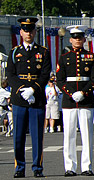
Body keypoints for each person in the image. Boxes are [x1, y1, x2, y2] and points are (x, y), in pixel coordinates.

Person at [7, 17, 51, 178]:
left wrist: (32, 89)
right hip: (19, 99)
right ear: (21, 32)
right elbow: (10, 75)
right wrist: (22, 90)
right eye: (25, 30)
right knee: (18, 136)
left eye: (31, 30)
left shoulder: (43, 52)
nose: (28, 33)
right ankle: (19, 167)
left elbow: (45, 74)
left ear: (34, 32)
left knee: (37, 136)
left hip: (37, 98)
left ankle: (37, 168)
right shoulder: (14, 52)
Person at [56, 24, 94, 176]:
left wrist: (83, 92)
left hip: (85, 99)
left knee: (87, 135)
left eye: (80, 37)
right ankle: (69, 166)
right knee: (69, 135)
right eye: (75, 38)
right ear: (70, 40)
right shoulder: (64, 58)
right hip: (69, 101)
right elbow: (60, 80)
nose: (77, 40)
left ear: (84, 39)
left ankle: (86, 166)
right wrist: (70, 93)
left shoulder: (91, 57)